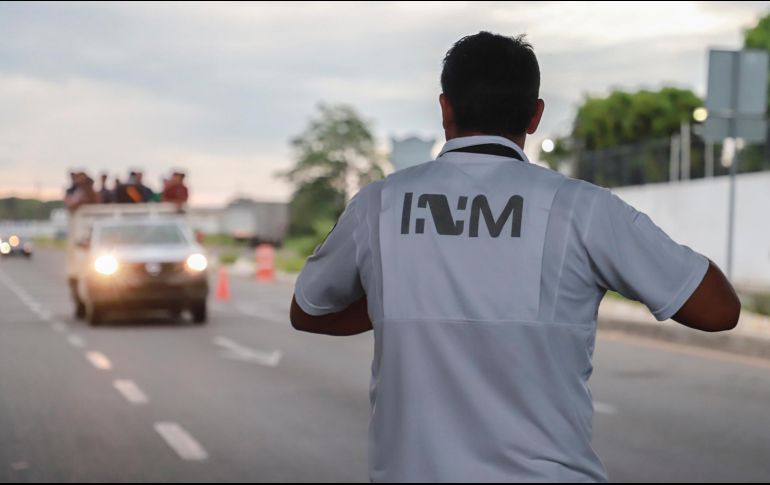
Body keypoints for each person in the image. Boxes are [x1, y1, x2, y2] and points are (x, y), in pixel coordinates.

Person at [289, 32, 741, 483]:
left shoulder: (380, 205)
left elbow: (308, 309)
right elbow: (718, 310)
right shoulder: (583, 209)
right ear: (535, 115)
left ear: (445, 109)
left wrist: (405, 302)